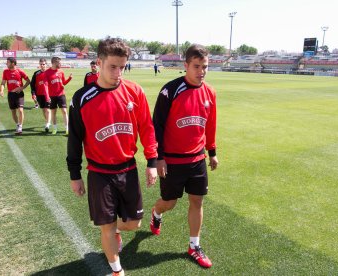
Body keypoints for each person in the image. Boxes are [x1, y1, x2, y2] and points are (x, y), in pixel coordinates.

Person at [67, 37, 158, 276]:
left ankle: (113, 229)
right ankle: (117, 270)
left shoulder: (134, 92)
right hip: (98, 173)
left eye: (122, 67)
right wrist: (74, 175)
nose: (118, 73)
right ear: (99, 62)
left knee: (133, 224)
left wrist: (151, 162)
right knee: (106, 227)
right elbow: (74, 139)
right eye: (112, 67)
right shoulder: (81, 98)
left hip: (127, 169)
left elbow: (147, 128)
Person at [150, 44, 219, 268]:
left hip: (197, 159)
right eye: (197, 66)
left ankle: (194, 245)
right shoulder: (169, 90)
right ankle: (156, 212)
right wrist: (158, 157)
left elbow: (210, 126)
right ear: (186, 65)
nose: (201, 71)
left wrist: (212, 152)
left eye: (205, 66)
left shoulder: (210, 92)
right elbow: (157, 125)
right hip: (171, 160)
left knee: (197, 200)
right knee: (169, 203)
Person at [0, 57, 31, 135]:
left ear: (13, 63)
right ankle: (17, 124)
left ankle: (20, 126)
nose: (6, 64)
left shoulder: (20, 71)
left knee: (20, 110)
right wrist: (2, 90)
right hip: (10, 94)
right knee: (13, 112)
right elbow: (3, 83)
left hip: (19, 94)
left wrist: (22, 87)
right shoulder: (5, 72)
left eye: (8, 62)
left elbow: (28, 80)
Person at [44, 56, 72, 135]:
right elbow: (45, 85)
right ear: (54, 63)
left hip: (61, 94)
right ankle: (55, 128)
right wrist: (47, 96)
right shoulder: (47, 73)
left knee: (64, 111)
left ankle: (67, 129)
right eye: (59, 62)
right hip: (52, 96)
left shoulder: (61, 71)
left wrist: (69, 78)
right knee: (53, 112)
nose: (61, 64)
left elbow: (64, 83)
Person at [30, 58, 51, 132]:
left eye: (43, 64)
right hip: (39, 94)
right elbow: (32, 84)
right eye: (41, 64)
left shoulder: (50, 73)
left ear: (46, 64)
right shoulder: (36, 73)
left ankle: (48, 124)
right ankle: (47, 121)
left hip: (48, 94)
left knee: (47, 109)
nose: (42, 65)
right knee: (43, 109)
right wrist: (33, 93)